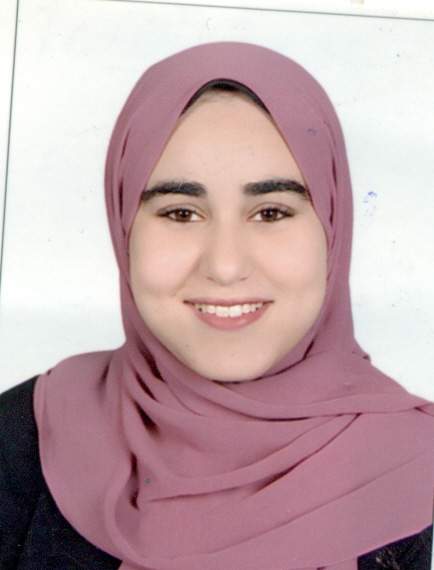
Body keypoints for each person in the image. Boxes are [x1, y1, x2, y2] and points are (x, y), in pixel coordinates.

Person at [0, 41, 433, 569]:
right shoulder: (22, 441)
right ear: (124, 226)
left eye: (271, 213)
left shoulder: (414, 471)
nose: (225, 266)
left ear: (332, 225)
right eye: (181, 213)